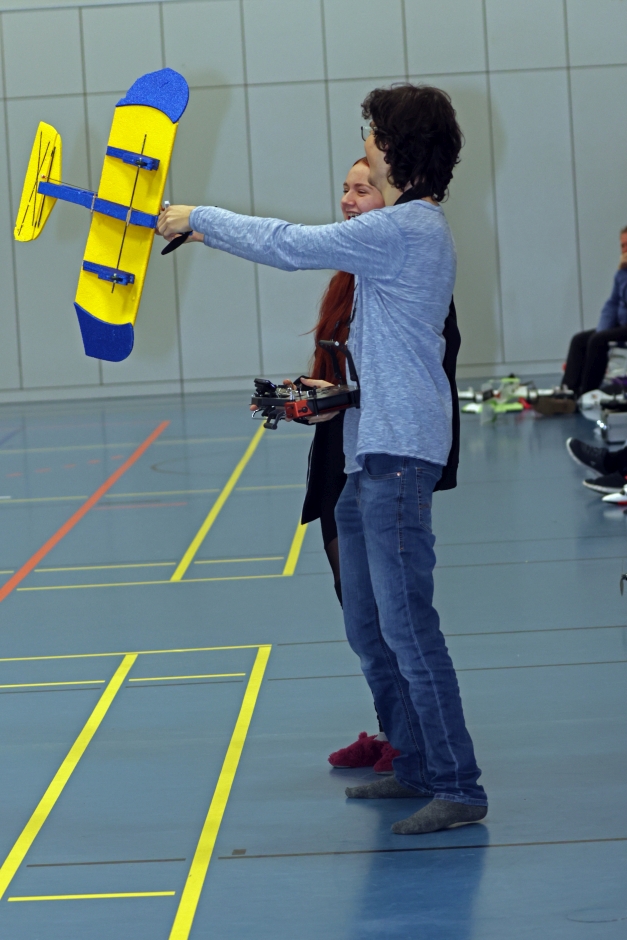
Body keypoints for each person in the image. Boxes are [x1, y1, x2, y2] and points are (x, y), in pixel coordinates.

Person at [158, 82, 487, 834]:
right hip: (373, 448)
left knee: (409, 629)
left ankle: (458, 785)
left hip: (397, 457)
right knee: (370, 625)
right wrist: (338, 395)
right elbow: (391, 356)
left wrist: (197, 217)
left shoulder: (407, 227)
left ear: (399, 149)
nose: (365, 147)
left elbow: (290, 244)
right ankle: (414, 762)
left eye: (373, 137)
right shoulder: (403, 231)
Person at [294, 158, 399, 774]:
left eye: (363, 189)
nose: (349, 199)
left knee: (390, 614)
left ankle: (414, 743)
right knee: (356, 609)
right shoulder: (345, 277)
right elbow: (343, 372)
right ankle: (391, 731)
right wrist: (315, 397)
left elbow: (417, 376)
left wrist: (349, 399)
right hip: (336, 452)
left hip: (381, 453)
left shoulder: (403, 272)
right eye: (345, 188)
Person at [563, 227, 627, 397]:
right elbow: (612, 304)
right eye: (622, 246)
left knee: (598, 341)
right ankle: (569, 391)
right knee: (580, 340)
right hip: (622, 325)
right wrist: (602, 329)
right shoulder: (621, 273)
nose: (624, 250)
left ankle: (588, 392)